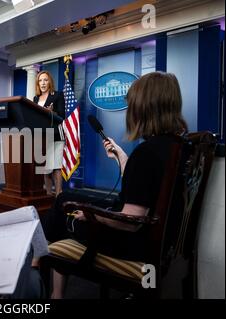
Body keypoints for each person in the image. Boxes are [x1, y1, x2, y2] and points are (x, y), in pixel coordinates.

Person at [43, 71, 188, 298]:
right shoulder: (175, 146)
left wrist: (91, 216)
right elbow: (147, 189)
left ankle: (50, 284)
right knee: (65, 197)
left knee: (64, 208)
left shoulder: (146, 153)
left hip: (135, 243)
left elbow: (131, 221)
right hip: (165, 240)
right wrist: (121, 157)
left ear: (143, 108)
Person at [33, 71, 66, 196]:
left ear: (49, 82)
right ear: (37, 83)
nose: (43, 83)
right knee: (46, 167)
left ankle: (58, 194)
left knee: (56, 165)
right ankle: (48, 193)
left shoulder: (57, 95)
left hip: (56, 135)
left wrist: (52, 113)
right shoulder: (35, 98)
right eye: (40, 80)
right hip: (42, 137)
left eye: (45, 80)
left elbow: (62, 116)